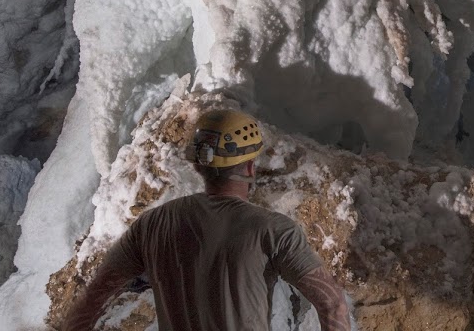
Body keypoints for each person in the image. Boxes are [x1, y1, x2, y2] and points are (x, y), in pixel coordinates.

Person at [62, 109, 351, 331]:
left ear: (198, 166)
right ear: (250, 167)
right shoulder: (273, 230)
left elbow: (92, 299)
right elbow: (332, 303)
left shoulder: (152, 224)